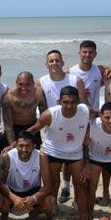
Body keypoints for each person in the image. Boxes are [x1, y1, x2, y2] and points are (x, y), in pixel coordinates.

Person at [28, 86, 90, 220]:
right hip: (53, 151)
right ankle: (53, 206)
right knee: (53, 183)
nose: (69, 105)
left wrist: (87, 162)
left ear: (78, 101)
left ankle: (82, 217)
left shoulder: (85, 111)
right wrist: (14, 145)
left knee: (80, 185)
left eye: (73, 102)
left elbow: (89, 131)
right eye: (66, 102)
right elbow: (34, 129)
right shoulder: (50, 114)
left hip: (76, 153)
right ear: (59, 101)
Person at [37, 49, 87, 203]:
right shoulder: (41, 81)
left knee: (72, 159)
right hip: (53, 125)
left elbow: (83, 103)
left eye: (57, 60)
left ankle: (67, 188)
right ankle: (57, 195)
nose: (54, 63)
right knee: (56, 164)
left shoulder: (75, 80)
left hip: (73, 123)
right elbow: (40, 105)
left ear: (63, 63)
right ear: (46, 64)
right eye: (51, 61)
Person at [0, 131, 55, 220]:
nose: (24, 149)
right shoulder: (7, 157)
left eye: (28, 146)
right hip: (13, 191)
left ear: (34, 146)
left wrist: (34, 198)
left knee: (50, 200)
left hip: (33, 190)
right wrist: (14, 198)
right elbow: (0, 183)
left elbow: (48, 186)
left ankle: (44, 217)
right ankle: (4, 217)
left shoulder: (41, 156)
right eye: (21, 146)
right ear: (16, 145)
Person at [2, 71, 41, 148]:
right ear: (16, 83)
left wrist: (35, 129)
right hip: (15, 128)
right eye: (20, 84)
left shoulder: (38, 93)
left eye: (27, 84)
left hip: (33, 126)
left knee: (35, 154)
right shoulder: (9, 97)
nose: (24, 88)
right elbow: (8, 125)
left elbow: (43, 115)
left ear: (33, 83)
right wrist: (12, 144)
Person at [69, 40, 106, 112]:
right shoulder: (70, 72)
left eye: (90, 52)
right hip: (76, 113)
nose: (87, 55)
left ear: (95, 54)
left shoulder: (99, 70)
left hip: (94, 114)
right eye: (84, 52)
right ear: (79, 53)